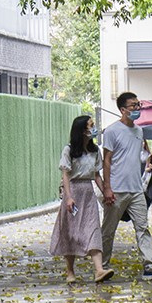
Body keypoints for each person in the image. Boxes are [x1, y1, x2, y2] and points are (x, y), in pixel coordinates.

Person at [99, 92, 152, 281]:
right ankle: (102, 267)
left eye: (138, 104)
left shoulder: (139, 131)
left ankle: (150, 266)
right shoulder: (112, 131)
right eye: (133, 106)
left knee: (143, 227)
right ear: (123, 110)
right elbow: (106, 160)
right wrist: (107, 187)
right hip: (116, 189)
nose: (137, 109)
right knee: (108, 230)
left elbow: (138, 157)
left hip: (137, 189)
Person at [50, 115, 108, 284]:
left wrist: (105, 192)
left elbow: (97, 175)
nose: (94, 128)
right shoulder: (69, 150)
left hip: (88, 192)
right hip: (74, 191)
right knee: (71, 232)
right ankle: (70, 271)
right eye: (91, 125)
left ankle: (98, 270)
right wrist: (68, 197)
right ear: (82, 129)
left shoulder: (95, 150)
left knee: (93, 229)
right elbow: (66, 174)